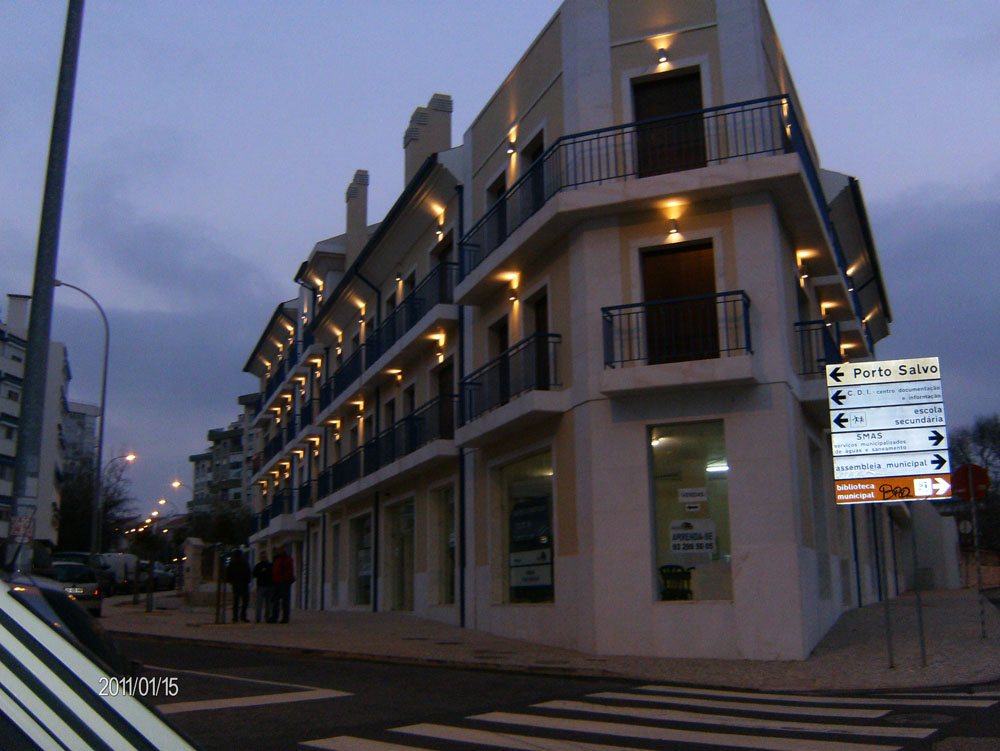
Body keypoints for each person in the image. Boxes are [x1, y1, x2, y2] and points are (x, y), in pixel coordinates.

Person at [225, 548, 251, 623]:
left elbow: (228, 573)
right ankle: (243, 616)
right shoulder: (244, 562)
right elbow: (248, 572)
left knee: (236, 602)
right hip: (244, 584)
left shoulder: (232, 563)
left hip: (235, 584)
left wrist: (230, 581)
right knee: (245, 602)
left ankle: (235, 617)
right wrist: (247, 581)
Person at [270, 546, 295, 624]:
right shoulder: (277, 559)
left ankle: (285, 618)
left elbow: (288, 570)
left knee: (284, 601)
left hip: (284, 582)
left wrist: (286, 579)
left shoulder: (286, 559)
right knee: (275, 601)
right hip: (276, 582)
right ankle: (275, 617)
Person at [252, 552, 273, 623]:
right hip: (261, 586)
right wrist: (261, 572)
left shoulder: (270, 565)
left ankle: (267, 617)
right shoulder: (258, 566)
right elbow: (254, 574)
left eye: (264, 557)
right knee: (259, 603)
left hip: (269, 586)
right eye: (262, 557)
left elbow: (272, 574)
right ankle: (258, 617)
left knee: (268, 603)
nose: (263, 558)